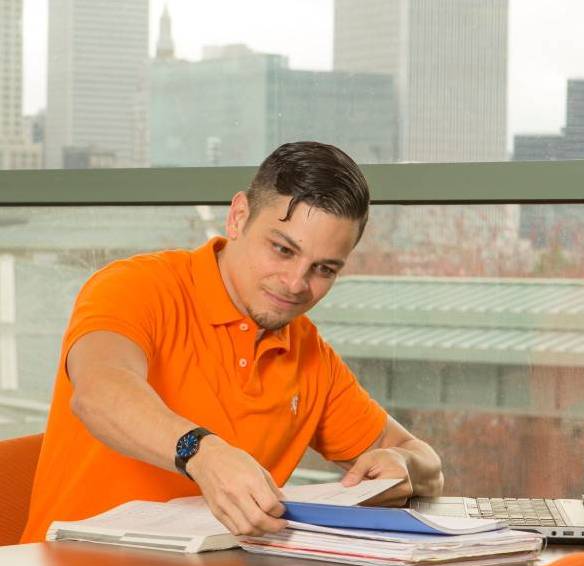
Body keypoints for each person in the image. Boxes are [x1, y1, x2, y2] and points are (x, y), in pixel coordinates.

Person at [21, 141, 443, 543]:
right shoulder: (135, 287)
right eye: (282, 249)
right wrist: (202, 453)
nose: (296, 283)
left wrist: (405, 465)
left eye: (324, 269)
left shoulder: (310, 356)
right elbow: (100, 393)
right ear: (238, 216)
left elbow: (423, 461)